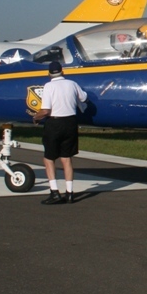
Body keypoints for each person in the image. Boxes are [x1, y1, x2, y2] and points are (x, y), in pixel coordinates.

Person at [31, 60, 87, 205]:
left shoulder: (49, 86)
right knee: (66, 158)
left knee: (49, 158)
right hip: (70, 122)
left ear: (49, 73)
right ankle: (70, 193)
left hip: (55, 123)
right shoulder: (72, 84)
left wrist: (35, 117)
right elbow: (83, 97)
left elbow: (46, 110)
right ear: (62, 71)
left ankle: (54, 191)